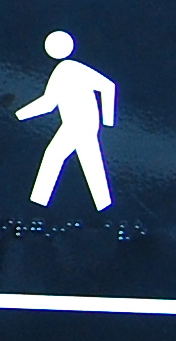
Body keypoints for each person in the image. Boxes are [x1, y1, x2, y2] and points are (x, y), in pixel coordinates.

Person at [16, 29, 116, 211]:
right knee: (89, 162)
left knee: (54, 156)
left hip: (78, 125)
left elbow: (108, 86)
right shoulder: (62, 71)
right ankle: (104, 207)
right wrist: (21, 115)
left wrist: (108, 120)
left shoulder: (69, 69)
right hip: (78, 124)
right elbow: (49, 103)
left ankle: (38, 204)